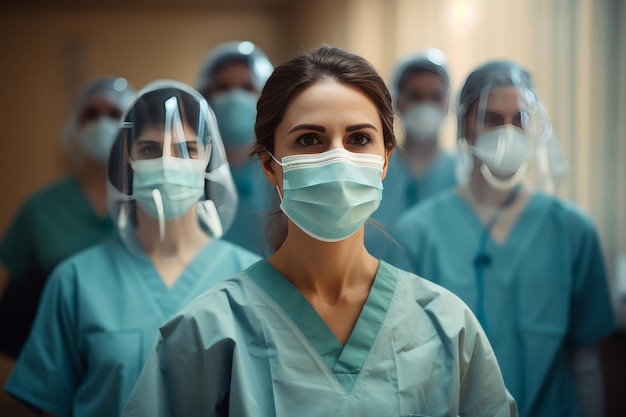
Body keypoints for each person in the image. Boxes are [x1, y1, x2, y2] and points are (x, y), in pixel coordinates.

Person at [122, 45, 517, 417]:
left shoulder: (446, 326)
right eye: (309, 139)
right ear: (269, 165)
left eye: (359, 139)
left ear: (384, 162)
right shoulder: (209, 332)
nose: (337, 157)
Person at [4, 81, 261, 417]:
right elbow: (47, 403)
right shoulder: (75, 282)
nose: (169, 164)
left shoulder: (250, 281)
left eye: (186, 149)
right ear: (127, 161)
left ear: (209, 160)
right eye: (151, 150)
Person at [389, 60, 616, 417]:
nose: (508, 131)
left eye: (520, 119)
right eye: (492, 119)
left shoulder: (572, 231)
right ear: (465, 125)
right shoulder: (417, 234)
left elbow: (585, 364)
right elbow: (404, 367)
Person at [0, 76, 137, 359]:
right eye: (91, 114)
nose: (102, 123)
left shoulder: (150, 202)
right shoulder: (41, 207)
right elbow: (15, 308)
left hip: (138, 352)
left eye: (114, 114)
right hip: (58, 358)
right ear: (74, 126)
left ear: (132, 126)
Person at [366, 49, 456, 259]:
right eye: (415, 96)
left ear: (448, 103)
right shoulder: (374, 170)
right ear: (396, 101)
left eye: (436, 96)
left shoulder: (461, 174)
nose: (426, 105)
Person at [196, 40, 276, 255]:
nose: (234, 96)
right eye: (223, 87)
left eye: (247, 87)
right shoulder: (193, 170)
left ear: (265, 97)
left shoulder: (280, 170)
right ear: (206, 97)